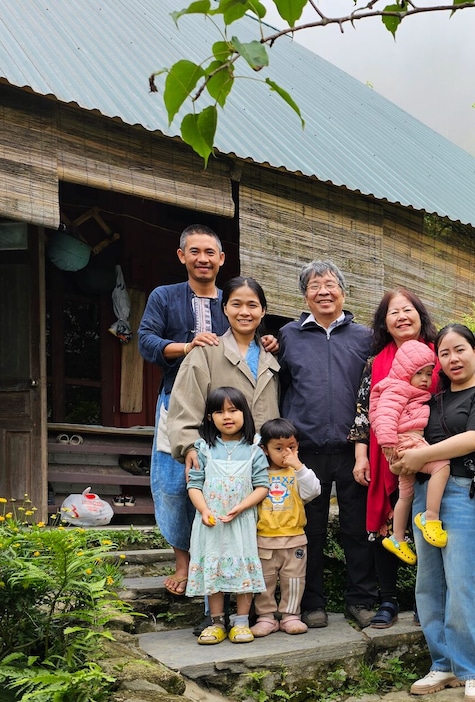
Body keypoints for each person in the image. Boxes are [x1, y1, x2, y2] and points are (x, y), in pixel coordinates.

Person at [391, 324, 475, 702]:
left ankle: (473, 669)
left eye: (459, 350)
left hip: (462, 493)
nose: (452, 359)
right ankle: (442, 664)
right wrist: (400, 458)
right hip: (424, 494)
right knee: (430, 583)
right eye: (444, 353)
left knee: (464, 580)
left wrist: (422, 455)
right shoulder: (430, 398)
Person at [277, 260, 376, 629]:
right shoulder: (288, 336)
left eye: (330, 284)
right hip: (305, 451)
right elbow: (279, 385)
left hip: (355, 450)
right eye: (314, 286)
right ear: (305, 296)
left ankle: (361, 600)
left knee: (357, 528)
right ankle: (311, 603)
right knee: (308, 530)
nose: (323, 291)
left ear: (343, 292)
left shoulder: (365, 337)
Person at [138, 224, 228, 598]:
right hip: (175, 401)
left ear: (221, 259)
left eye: (209, 252)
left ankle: (217, 562)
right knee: (173, 484)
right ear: (182, 256)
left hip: (224, 409)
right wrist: (187, 347)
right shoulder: (165, 296)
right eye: (195, 251)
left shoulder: (231, 300)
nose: (202, 259)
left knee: (219, 485)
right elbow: (146, 341)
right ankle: (184, 562)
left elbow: (250, 337)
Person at [348, 287, 439, 629]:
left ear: (420, 315)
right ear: (384, 322)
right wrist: (362, 456)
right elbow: (363, 411)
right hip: (385, 451)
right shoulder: (376, 362)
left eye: (407, 310)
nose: (402, 317)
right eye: (393, 312)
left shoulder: (439, 353)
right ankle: (387, 599)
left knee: (426, 522)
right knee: (385, 521)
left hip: (431, 448)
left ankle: (424, 600)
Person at [168, 276, 281, 473]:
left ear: (263, 311)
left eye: (252, 305)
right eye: (236, 304)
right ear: (225, 308)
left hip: (268, 463)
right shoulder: (206, 352)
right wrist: (189, 446)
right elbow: (185, 405)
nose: (244, 312)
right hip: (219, 464)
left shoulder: (272, 356)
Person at [185, 386, 270, 645]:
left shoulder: (254, 449)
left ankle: (241, 622)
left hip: (241, 522)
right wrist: (204, 510)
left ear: (244, 413)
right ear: (210, 417)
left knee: (242, 567)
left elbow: (262, 486)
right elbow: (194, 485)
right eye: (219, 412)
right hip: (211, 523)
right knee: (215, 568)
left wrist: (242, 507)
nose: (227, 416)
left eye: (233, 410)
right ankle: (217, 622)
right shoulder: (203, 448)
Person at [369, 339, 450, 564]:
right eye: (419, 373)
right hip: (406, 442)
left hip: (407, 442)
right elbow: (385, 414)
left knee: (406, 494)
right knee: (441, 465)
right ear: (405, 372)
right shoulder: (397, 388)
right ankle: (430, 517)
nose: (425, 379)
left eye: (429, 374)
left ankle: (397, 538)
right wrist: (387, 442)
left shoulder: (407, 390)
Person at [250, 418, 322, 637]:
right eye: (278, 448)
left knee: (294, 579)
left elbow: (313, 491)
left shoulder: (297, 473)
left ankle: (291, 615)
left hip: (294, 538)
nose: (286, 453)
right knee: (264, 580)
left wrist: (298, 465)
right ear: (265, 449)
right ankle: (266, 617)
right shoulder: (258, 474)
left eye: (291, 447)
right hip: (264, 539)